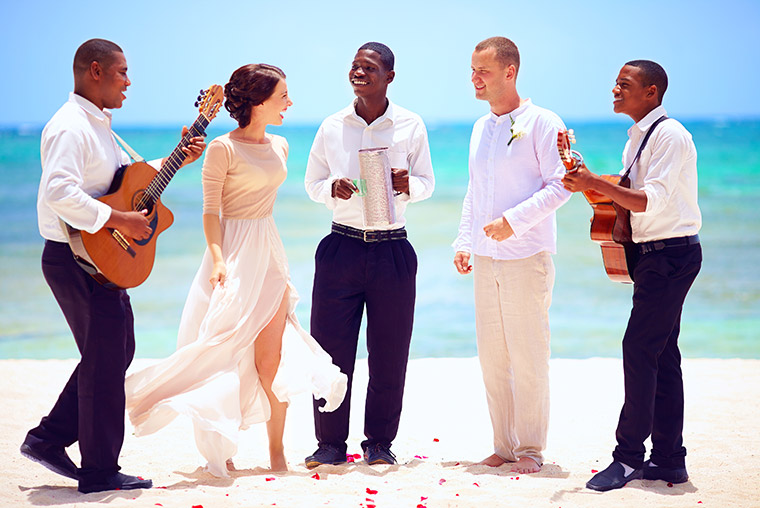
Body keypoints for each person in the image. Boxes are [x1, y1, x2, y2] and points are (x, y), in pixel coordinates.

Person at [124, 64, 347, 477]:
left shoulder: (280, 145)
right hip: (230, 254)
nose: (289, 104)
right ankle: (220, 447)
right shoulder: (222, 149)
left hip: (270, 253)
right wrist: (219, 259)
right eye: (283, 97)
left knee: (272, 360)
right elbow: (211, 214)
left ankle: (277, 451)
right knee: (221, 352)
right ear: (258, 102)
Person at [24, 38, 206, 494]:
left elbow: (130, 183)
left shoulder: (100, 126)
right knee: (106, 357)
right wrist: (117, 218)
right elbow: (59, 194)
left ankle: (47, 440)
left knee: (115, 351)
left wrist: (178, 157)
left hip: (99, 257)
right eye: (122, 72)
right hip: (74, 258)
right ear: (95, 71)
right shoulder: (70, 127)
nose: (130, 81)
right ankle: (99, 470)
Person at [563, 60, 702, 492]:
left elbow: (647, 202)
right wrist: (587, 182)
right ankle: (667, 460)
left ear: (652, 92)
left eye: (624, 84)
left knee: (638, 348)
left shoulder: (671, 135)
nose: (615, 90)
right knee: (661, 355)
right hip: (652, 256)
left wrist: (595, 183)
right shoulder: (638, 139)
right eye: (615, 84)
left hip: (671, 256)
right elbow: (626, 198)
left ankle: (627, 459)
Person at [303, 42, 435, 467]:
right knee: (329, 354)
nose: (359, 72)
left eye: (369, 67)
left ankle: (378, 443)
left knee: (389, 355)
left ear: (389, 77)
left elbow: (428, 183)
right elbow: (312, 183)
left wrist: (406, 183)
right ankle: (329, 445)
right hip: (340, 246)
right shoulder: (331, 125)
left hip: (392, 249)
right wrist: (331, 189)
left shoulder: (411, 125)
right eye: (355, 66)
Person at [452, 37, 571, 474]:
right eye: (472, 70)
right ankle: (502, 445)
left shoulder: (543, 122)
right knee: (493, 357)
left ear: (510, 72)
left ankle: (531, 450)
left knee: (528, 355)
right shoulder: (480, 128)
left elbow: (562, 186)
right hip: (486, 258)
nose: (474, 79)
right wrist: (464, 241)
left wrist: (513, 221)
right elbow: (474, 191)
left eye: (483, 70)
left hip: (526, 254)